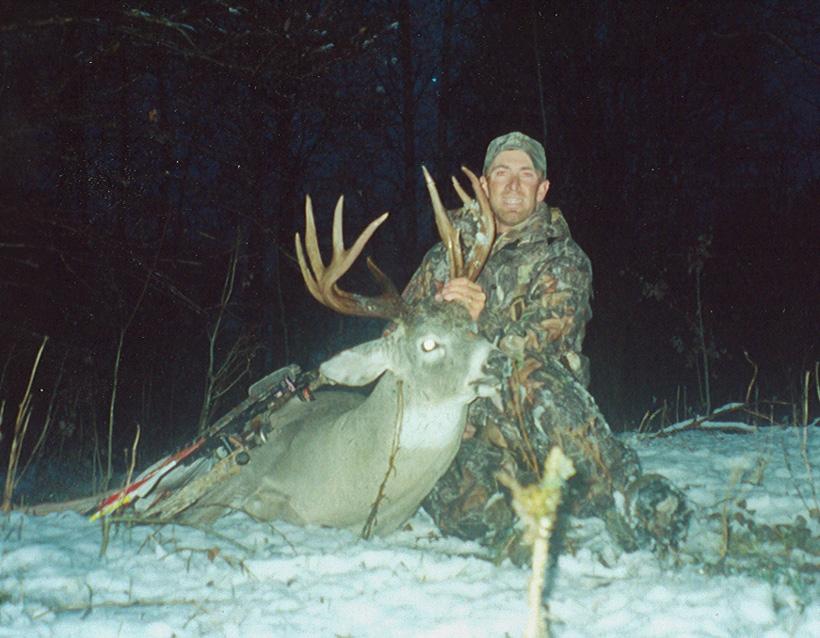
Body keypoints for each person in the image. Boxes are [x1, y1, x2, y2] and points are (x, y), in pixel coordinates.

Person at [401, 132, 690, 560]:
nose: (513, 185)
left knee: (527, 371)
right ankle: (517, 532)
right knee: (439, 482)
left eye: (525, 174)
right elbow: (400, 337)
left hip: (538, 423)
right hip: (468, 428)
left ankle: (627, 494)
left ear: (543, 189)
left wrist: (484, 319)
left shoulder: (564, 259)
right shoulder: (442, 260)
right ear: (483, 186)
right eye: (502, 173)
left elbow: (543, 344)